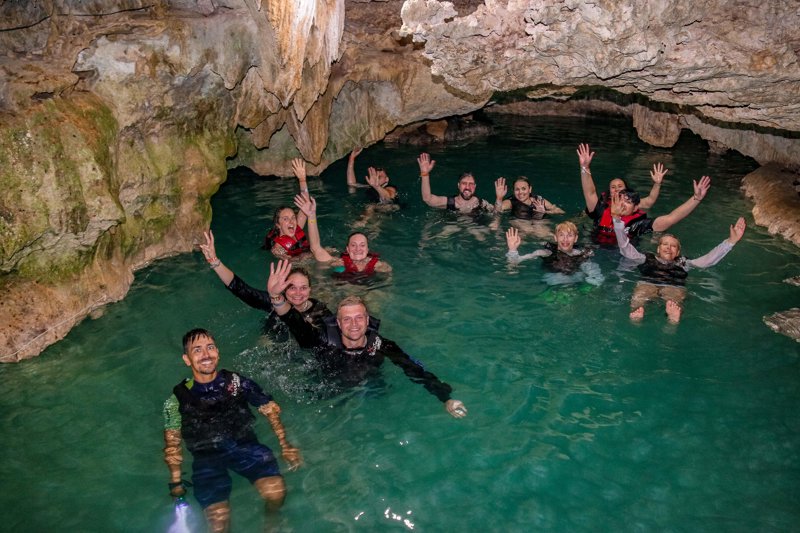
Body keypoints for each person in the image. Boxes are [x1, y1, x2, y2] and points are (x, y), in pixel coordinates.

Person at [163, 329, 302, 532]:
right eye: (197, 350)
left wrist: (285, 444)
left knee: (277, 493)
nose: (206, 354)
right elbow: (172, 442)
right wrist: (175, 480)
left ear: (218, 353)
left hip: (244, 445)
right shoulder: (176, 399)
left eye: (210, 347)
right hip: (206, 457)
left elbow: (270, 409)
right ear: (187, 359)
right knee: (218, 525)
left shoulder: (237, 383)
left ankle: (271, 522)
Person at [270, 291, 467, 418]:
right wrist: (277, 298)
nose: (354, 324)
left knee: (381, 399)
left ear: (367, 320)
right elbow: (296, 324)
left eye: (359, 318)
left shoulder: (381, 345)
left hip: (369, 382)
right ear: (338, 323)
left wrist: (446, 398)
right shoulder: (323, 341)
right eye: (347, 319)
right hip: (330, 389)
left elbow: (414, 370)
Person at [613, 201, 747, 323]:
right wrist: (617, 221)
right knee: (641, 292)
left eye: (673, 246)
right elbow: (625, 248)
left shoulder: (683, 262)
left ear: (677, 252)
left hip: (673, 286)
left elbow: (707, 261)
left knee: (674, 296)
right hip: (648, 282)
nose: (668, 248)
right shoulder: (645, 257)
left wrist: (730, 242)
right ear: (658, 249)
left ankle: (673, 319)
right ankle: (638, 311)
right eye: (665, 244)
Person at [199, 230, 331, 333]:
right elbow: (241, 289)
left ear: (310, 290)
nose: (298, 293)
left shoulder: (319, 310)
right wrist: (214, 261)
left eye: (303, 288)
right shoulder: (274, 301)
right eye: (292, 287)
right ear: (284, 289)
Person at [578, 145, 711, 245]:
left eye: (628, 202)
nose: (622, 204)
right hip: (596, 247)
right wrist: (585, 168)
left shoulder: (638, 224)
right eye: (621, 199)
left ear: (636, 208)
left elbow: (671, 218)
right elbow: (590, 192)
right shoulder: (601, 210)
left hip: (624, 255)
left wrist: (696, 199)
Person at [293, 193, 392, 276]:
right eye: (353, 245)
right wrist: (311, 216)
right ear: (347, 249)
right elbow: (315, 248)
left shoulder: (381, 266)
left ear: (367, 250)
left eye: (362, 245)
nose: (358, 249)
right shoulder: (339, 262)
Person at [577, 143, 667, 215]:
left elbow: (649, 201)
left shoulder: (632, 204)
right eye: (613, 187)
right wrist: (585, 167)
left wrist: (657, 184)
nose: (616, 189)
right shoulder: (601, 207)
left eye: (620, 186)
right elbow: (590, 193)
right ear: (609, 193)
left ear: (626, 190)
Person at [505, 222, 604, 286]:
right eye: (561, 235)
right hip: (554, 284)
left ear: (575, 238)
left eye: (569, 235)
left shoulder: (582, 254)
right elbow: (514, 262)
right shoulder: (545, 253)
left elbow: (594, 273)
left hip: (575, 284)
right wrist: (512, 250)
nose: (565, 239)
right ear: (555, 238)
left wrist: (595, 280)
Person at [418, 152, 494, 213]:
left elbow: (496, 212)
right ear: (458, 185)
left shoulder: (481, 203)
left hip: (475, 226)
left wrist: (499, 198)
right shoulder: (450, 202)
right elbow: (427, 199)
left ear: (475, 186)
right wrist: (425, 174)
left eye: (471, 184)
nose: (467, 187)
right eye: (464, 183)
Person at [494, 176, 564, 218]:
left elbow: (561, 212)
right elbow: (497, 211)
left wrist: (544, 212)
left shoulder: (538, 200)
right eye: (517, 189)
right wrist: (499, 198)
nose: (520, 192)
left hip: (539, 223)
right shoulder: (511, 202)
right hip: (521, 223)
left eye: (523, 189)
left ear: (530, 189)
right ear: (513, 191)